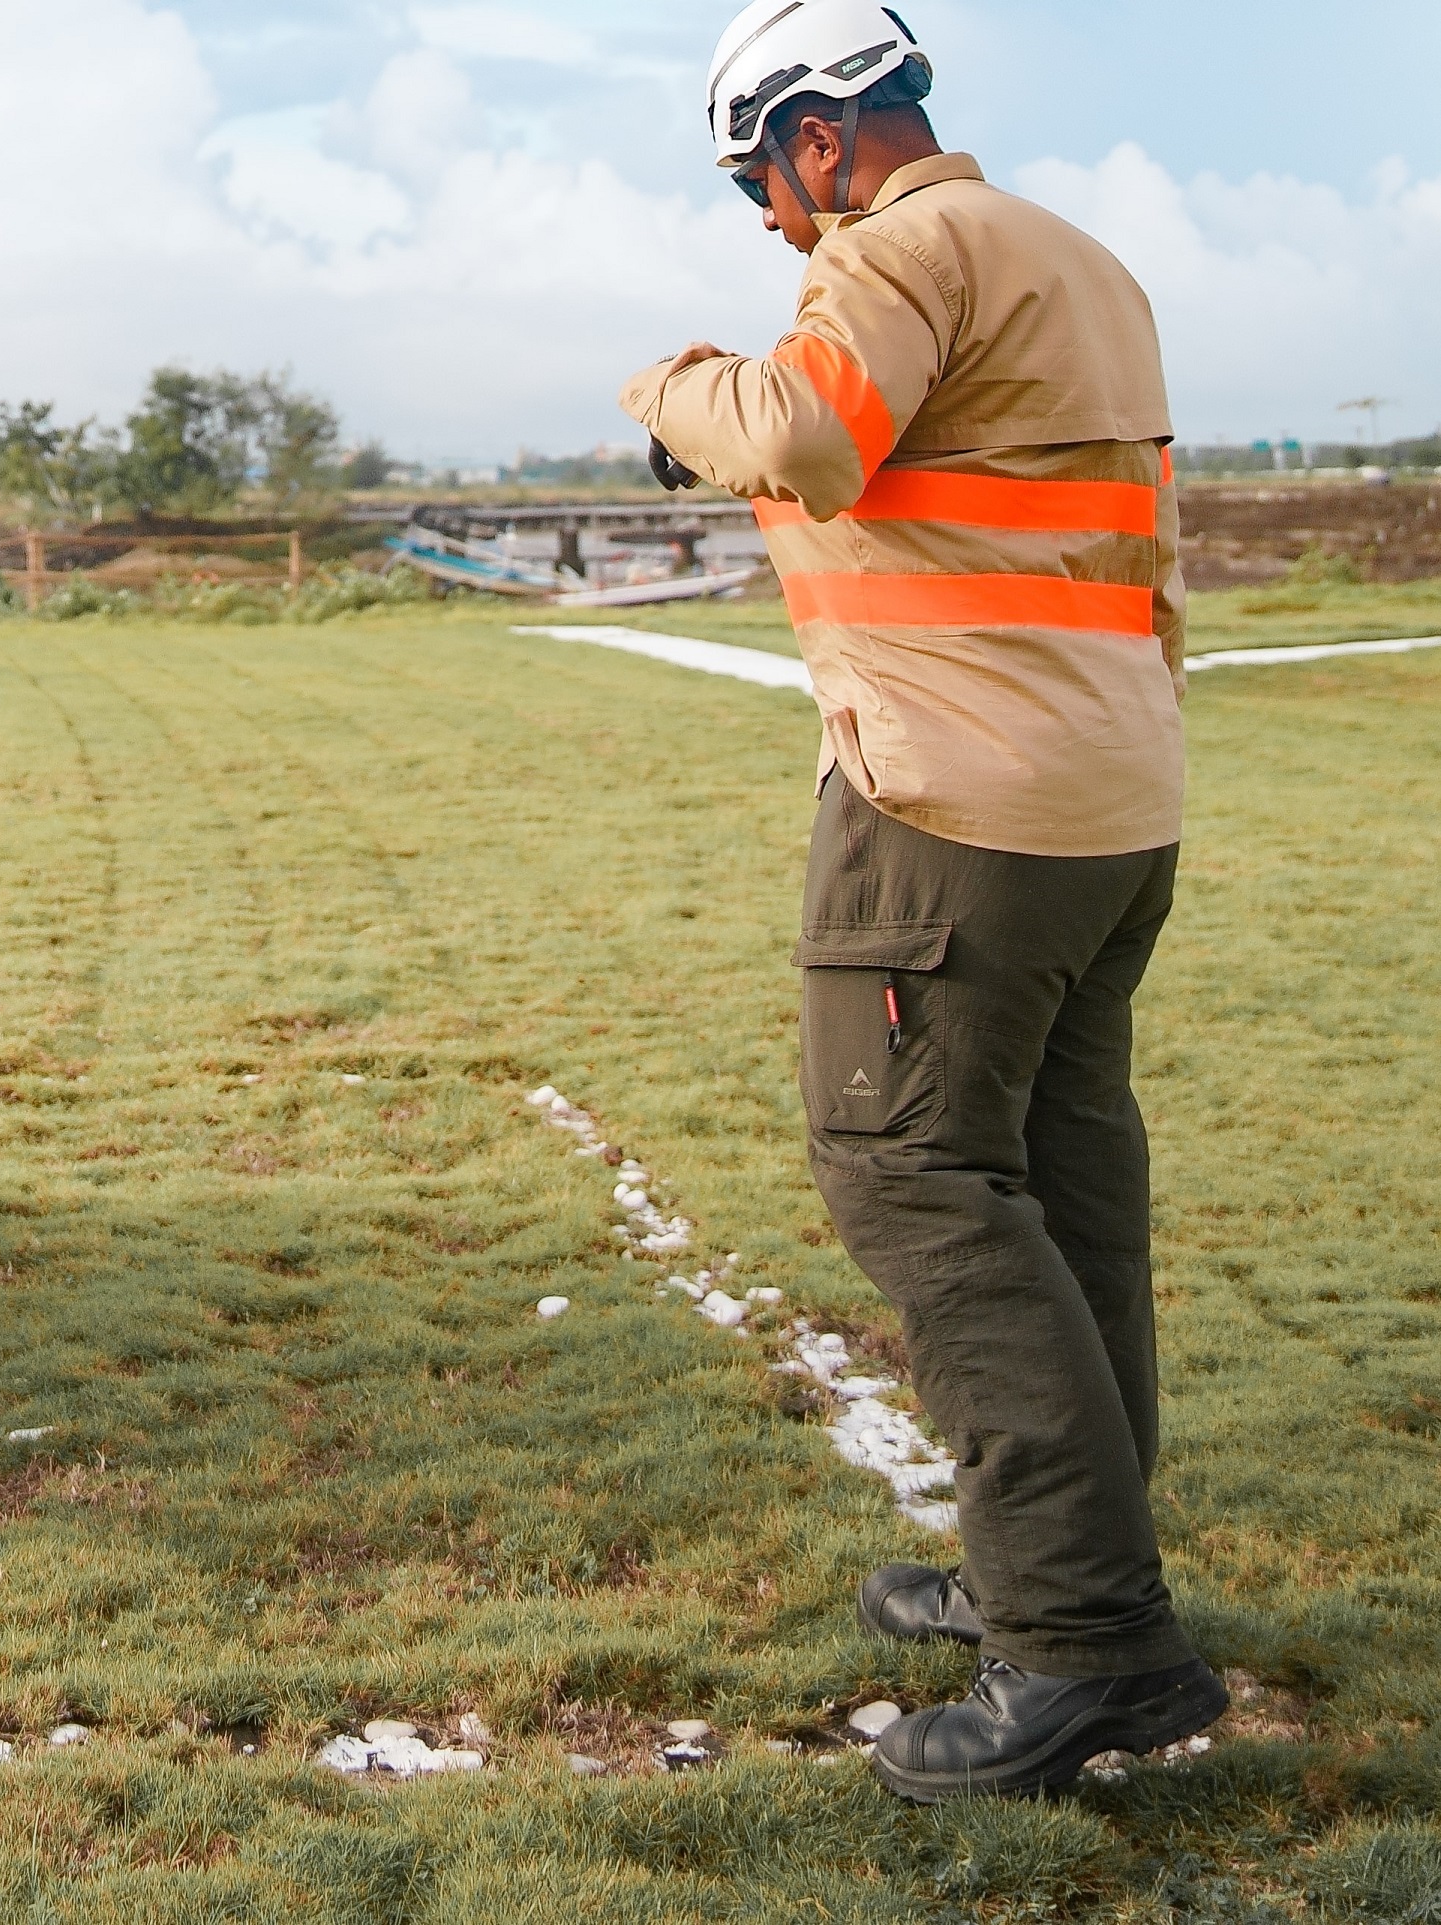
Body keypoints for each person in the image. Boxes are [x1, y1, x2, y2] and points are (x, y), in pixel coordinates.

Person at [621, 1, 1227, 1801]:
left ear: (819, 137)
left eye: (757, 176)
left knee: (916, 1176)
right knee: (1057, 1184)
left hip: (956, 804)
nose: (765, 218)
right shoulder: (1076, 256)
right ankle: (1043, 1571)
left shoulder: (904, 244)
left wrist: (666, 388)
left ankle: (1087, 1648)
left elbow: (806, 430)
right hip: (1112, 800)